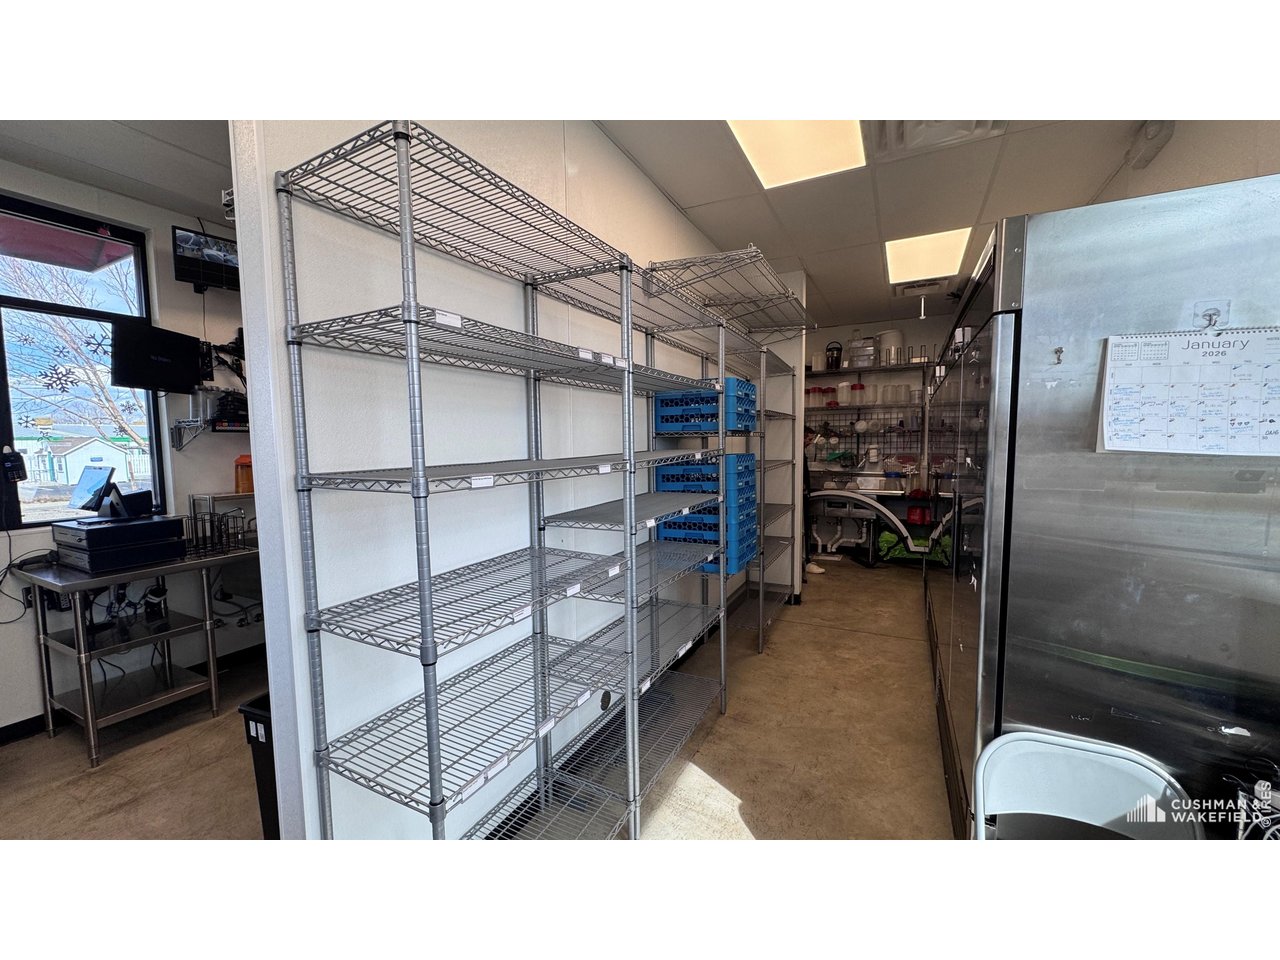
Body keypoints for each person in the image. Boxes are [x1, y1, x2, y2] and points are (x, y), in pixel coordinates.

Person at [802, 426, 824, 575]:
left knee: (805, 528)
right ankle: (806, 562)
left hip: (803, 494)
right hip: (800, 495)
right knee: (803, 528)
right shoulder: (796, 452)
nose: (810, 442)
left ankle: (806, 560)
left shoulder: (801, 452)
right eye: (809, 439)